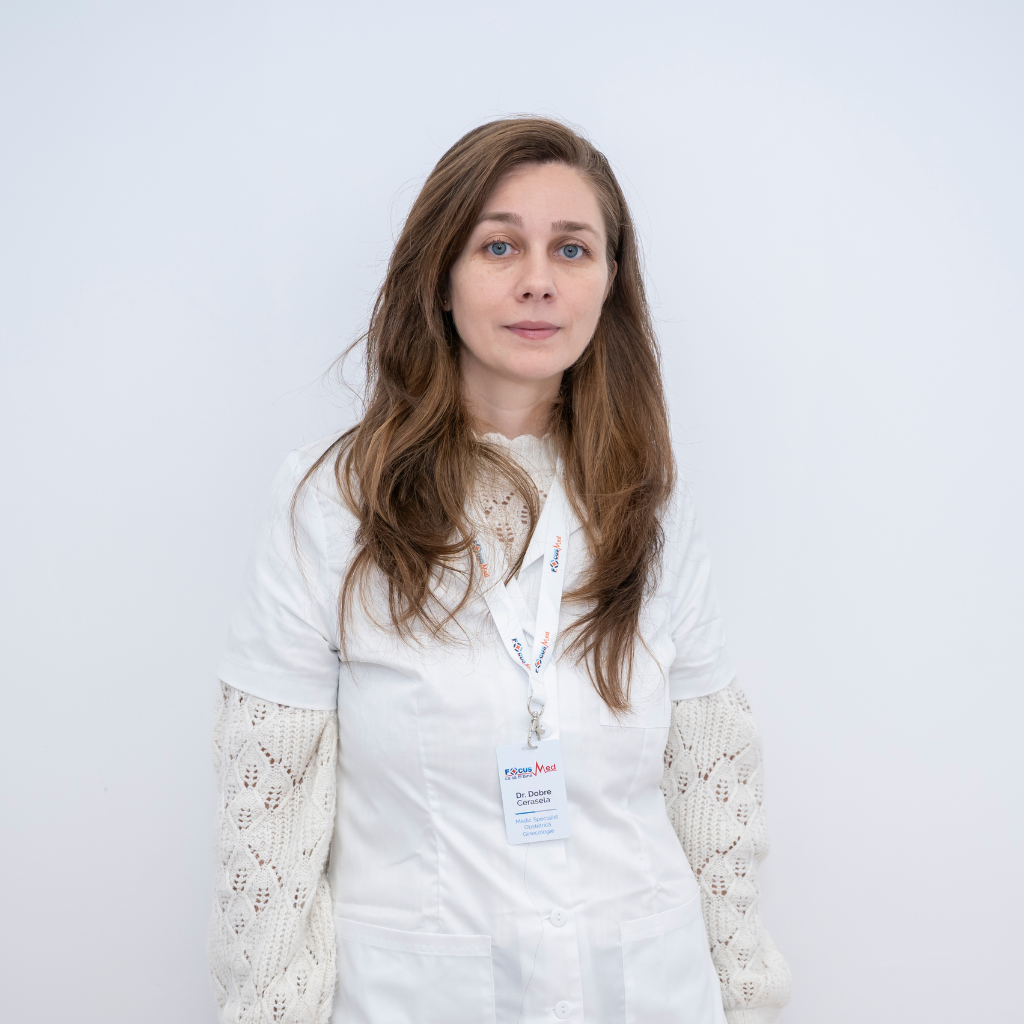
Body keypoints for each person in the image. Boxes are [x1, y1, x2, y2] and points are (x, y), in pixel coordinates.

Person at [208, 117, 791, 1024]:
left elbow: (715, 785)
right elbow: (268, 814)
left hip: (649, 991)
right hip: (419, 997)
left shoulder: (647, 498)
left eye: (572, 248)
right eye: (499, 245)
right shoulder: (333, 503)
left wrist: (747, 999)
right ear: (439, 278)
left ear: (610, 283)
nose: (538, 280)